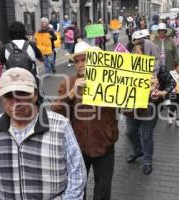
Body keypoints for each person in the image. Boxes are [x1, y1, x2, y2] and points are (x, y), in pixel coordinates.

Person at [0, 67, 87, 199]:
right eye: (8, 96)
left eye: (22, 94)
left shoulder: (60, 126)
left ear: (35, 95)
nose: (16, 102)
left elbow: (77, 175)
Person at [51, 41, 119, 200]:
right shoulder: (69, 83)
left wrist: (147, 95)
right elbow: (56, 113)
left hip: (105, 147)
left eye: (85, 59)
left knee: (102, 192)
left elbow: (132, 112)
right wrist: (72, 94)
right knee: (77, 190)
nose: (80, 64)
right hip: (78, 148)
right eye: (77, 61)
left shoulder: (110, 81)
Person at [125, 39, 175, 175]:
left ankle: (147, 160)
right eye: (134, 51)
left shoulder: (159, 68)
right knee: (130, 132)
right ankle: (138, 151)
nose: (135, 54)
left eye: (138, 51)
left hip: (150, 108)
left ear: (148, 53)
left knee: (146, 135)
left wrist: (163, 92)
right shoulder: (129, 66)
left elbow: (172, 83)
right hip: (132, 107)